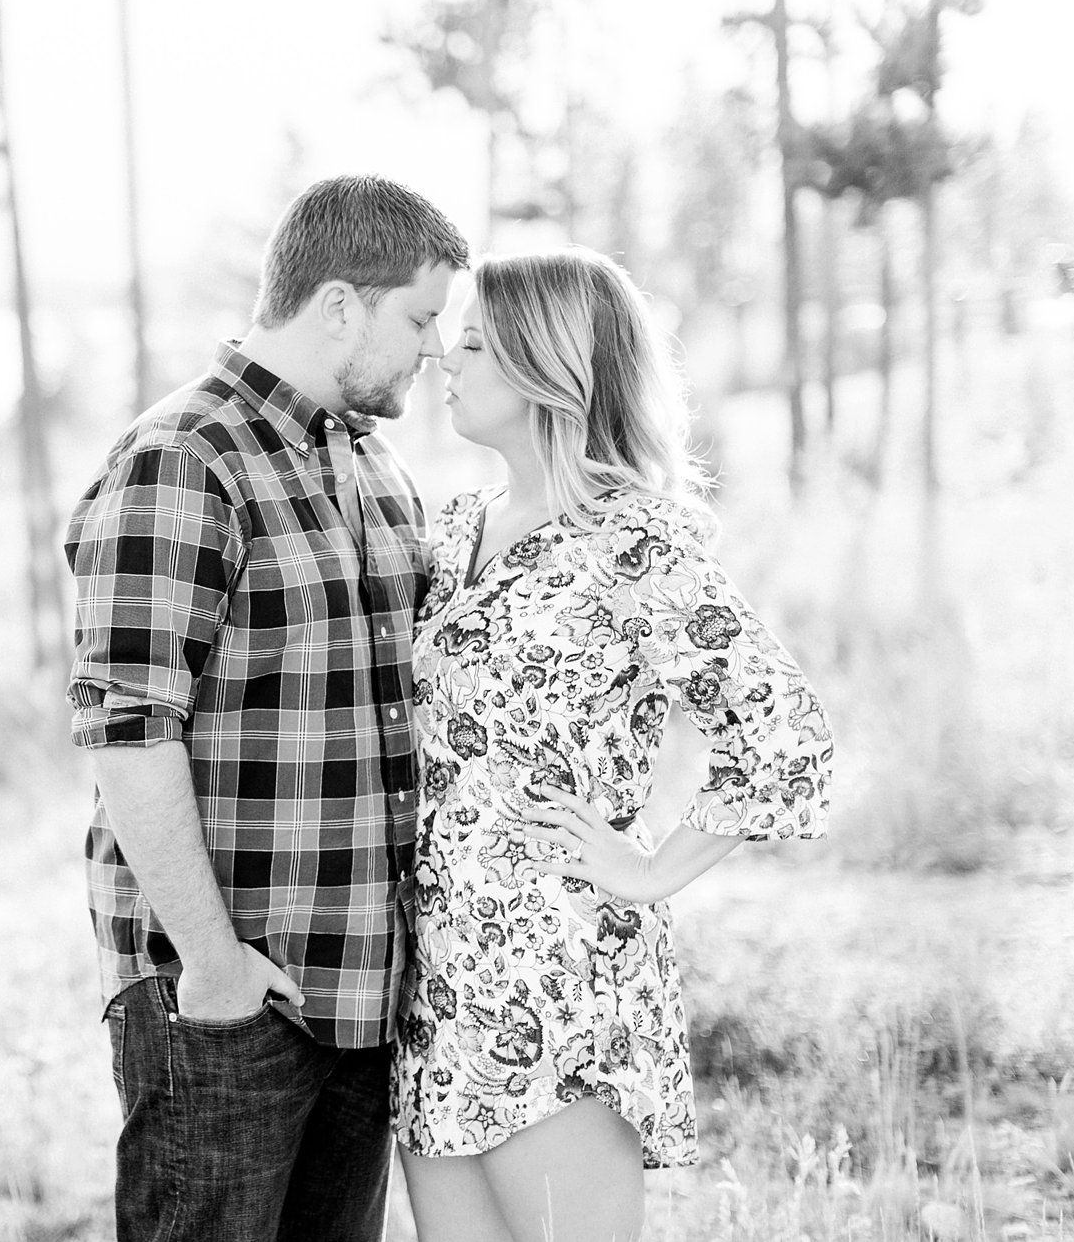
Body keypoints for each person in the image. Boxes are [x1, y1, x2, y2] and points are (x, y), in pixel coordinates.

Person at [393, 247, 835, 1242]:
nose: (443, 362)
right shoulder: (454, 527)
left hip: (559, 974)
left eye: (470, 343)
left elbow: (780, 735)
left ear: (544, 365)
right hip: (438, 980)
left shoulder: (629, 537)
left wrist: (646, 870)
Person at [63, 174, 469, 1241]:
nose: (433, 351)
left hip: (361, 992)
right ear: (338, 304)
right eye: (418, 319)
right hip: (230, 996)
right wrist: (209, 961)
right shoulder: (181, 459)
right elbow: (125, 726)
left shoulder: (375, 470)